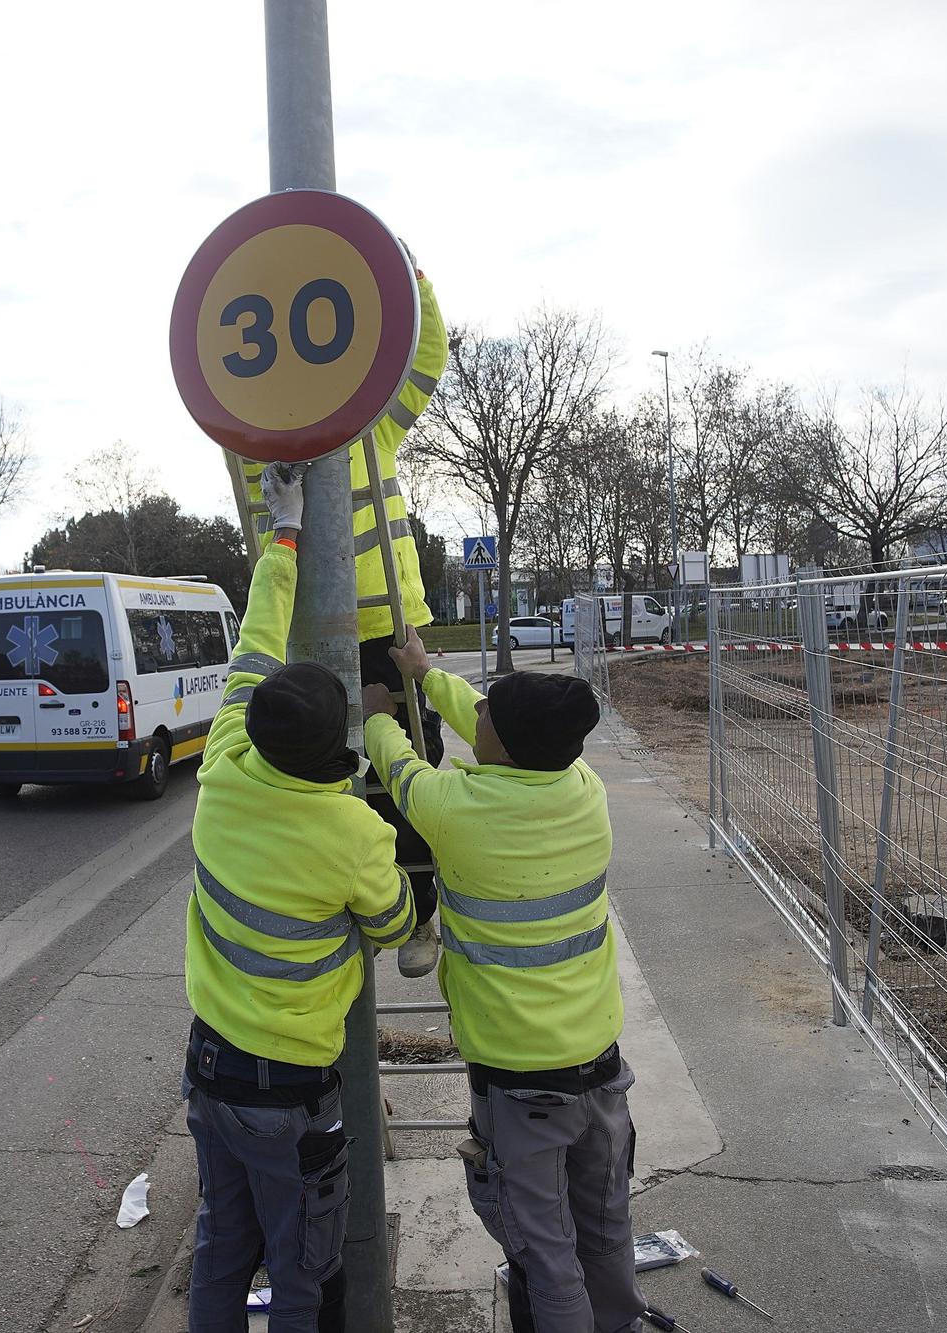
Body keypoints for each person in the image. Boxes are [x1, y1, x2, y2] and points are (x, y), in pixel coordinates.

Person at [183, 461, 417, 1333]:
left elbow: (254, 638)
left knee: (219, 1248)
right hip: (291, 1094)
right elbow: (393, 923)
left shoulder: (221, 766)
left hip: (211, 1068)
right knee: (303, 1274)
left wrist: (284, 531)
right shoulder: (352, 832)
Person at [361, 632, 642, 1333]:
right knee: (604, 1234)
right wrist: (425, 674)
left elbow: (399, 768)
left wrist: (376, 715)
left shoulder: (457, 810)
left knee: (544, 1259)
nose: (475, 718)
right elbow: (486, 718)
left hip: (521, 1089)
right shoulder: (585, 792)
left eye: (487, 717)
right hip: (601, 1072)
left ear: (506, 745)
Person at [242, 262, 449, 979]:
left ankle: (419, 910)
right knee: (328, 778)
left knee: (409, 774)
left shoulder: (373, 430)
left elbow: (426, 361)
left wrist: (408, 272)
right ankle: (350, 902)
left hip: (390, 629)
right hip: (314, 638)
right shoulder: (264, 451)